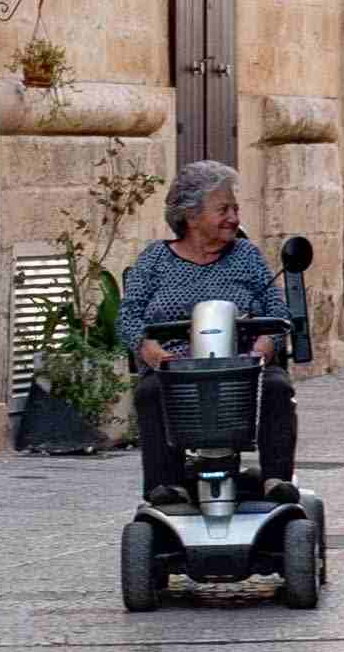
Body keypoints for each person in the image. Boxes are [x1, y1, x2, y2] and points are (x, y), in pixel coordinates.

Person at [119, 159, 299, 500]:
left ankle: (276, 479)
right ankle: (165, 485)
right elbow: (128, 315)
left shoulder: (246, 255)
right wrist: (148, 348)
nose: (234, 218)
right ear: (191, 216)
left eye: (235, 209)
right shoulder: (155, 259)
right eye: (223, 209)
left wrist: (265, 345)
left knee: (276, 386)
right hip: (177, 368)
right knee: (150, 391)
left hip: (242, 366)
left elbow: (277, 310)